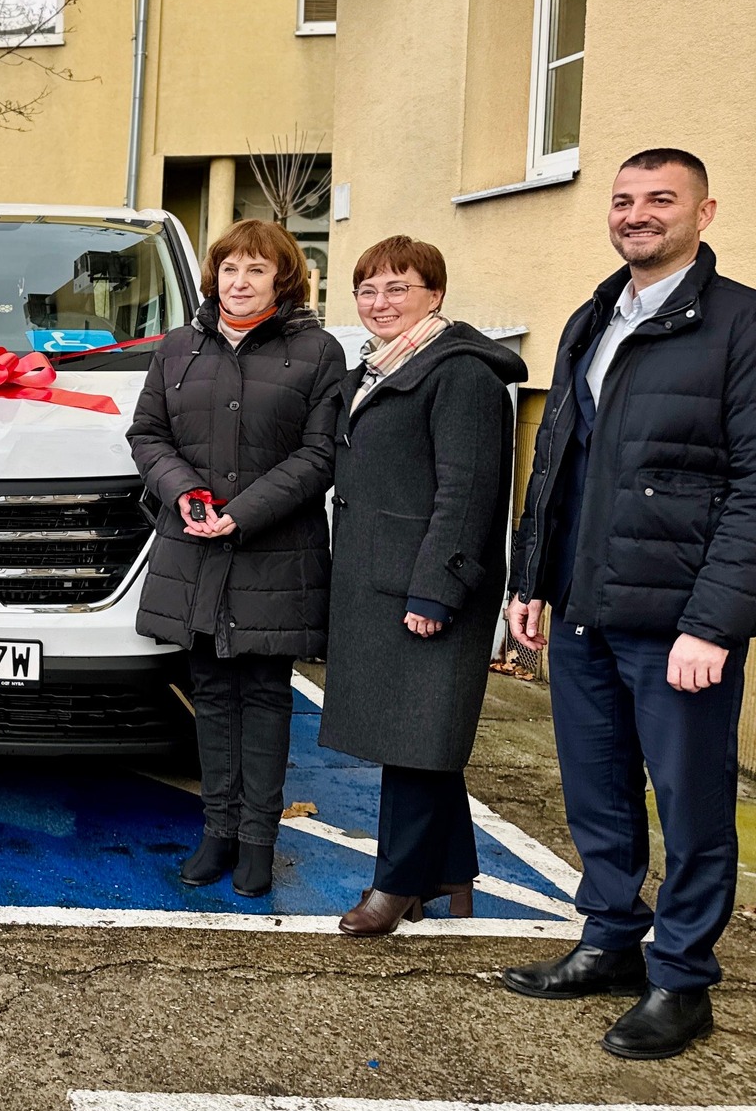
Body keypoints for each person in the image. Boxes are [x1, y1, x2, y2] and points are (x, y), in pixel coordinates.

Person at [502, 149, 756, 1061]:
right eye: (623, 200)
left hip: (677, 623)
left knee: (691, 805)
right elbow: (558, 464)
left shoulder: (739, 325)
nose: (636, 214)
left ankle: (683, 980)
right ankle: (610, 939)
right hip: (579, 608)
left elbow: (754, 486)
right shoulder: (595, 314)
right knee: (598, 792)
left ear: (705, 211)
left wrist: (713, 622)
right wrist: (529, 583)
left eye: (660, 199)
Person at [127, 219, 344, 898]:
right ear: (212, 276)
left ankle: (258, 839)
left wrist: (241, 511)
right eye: (229, 269)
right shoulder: (178, 348)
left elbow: (320, 454)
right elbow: (148, 433)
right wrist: (184, 490)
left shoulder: (317, 352)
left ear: (283, 277)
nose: (240, 282)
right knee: (212, 696)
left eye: (256, 270)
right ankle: (216, 832)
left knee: (266, 696)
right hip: (193, 550)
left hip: (273, 553)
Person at [318, 237, 526, 936]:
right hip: (384, 581)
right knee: (420, 734)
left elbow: (467, 494)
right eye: (367, 290)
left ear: (434, 294)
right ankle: (448, 872)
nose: (380, 302)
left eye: (397, 288)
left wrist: (437, 591)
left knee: (415, 737)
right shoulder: (381, 368)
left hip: (429, 586)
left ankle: (395, 885)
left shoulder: (459, 375)